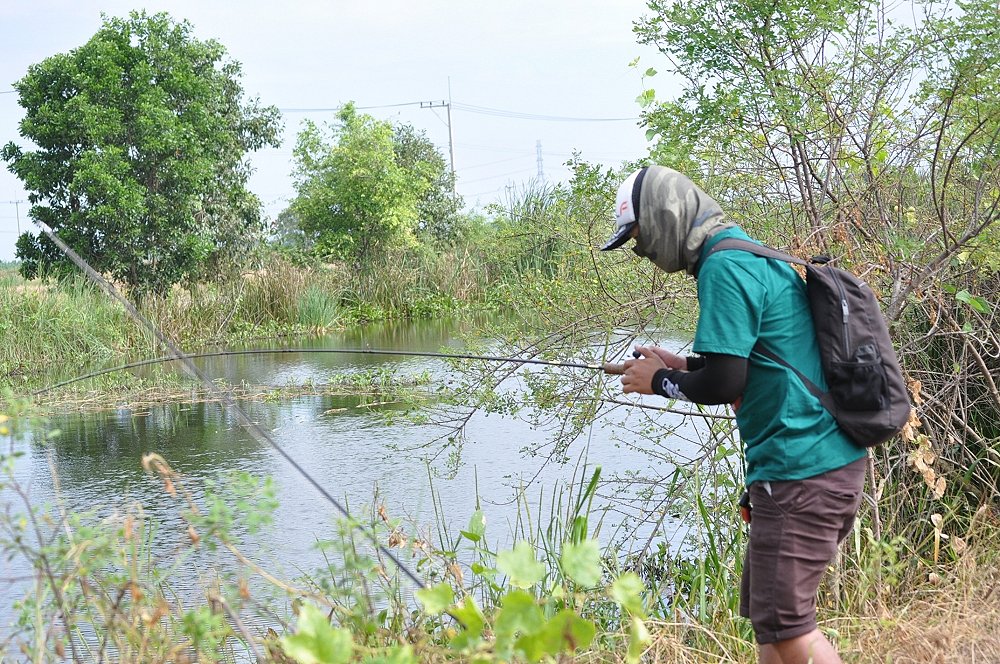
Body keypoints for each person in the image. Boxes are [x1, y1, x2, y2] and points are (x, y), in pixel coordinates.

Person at [601, 165, 867, 664]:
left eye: (640, 239)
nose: (643, 254)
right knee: (771, 629)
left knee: (791, 630)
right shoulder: (749, 255)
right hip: (810, 466)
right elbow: (745, 361)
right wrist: (680, 366)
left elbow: (726, 383)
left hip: (801, 470)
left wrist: (659, 382)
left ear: (666, 218)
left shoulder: (723, 267)